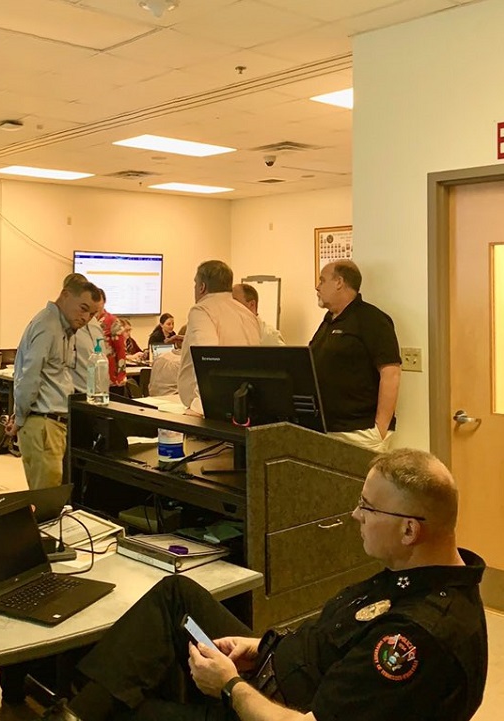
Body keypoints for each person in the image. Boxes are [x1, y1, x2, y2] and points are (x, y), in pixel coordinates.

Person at [41, 449, 487, 721]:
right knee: (176, 595)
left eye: (368, 508)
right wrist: (260, 648)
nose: (355, 516)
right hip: (275, 674)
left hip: (272, 708)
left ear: (409, 530)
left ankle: (81, 711)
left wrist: (230, 686)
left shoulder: (414, 640)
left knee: (123, 711)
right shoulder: (417, 574)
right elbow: (328, 644)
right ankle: (77, 711)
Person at [10, 276, 102, 489]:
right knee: (46, 499)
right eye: (83, 308)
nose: (86, 318)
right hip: (43, 424)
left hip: (51, 424)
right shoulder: (48, 326)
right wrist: (19, 418)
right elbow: (29, 377)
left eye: (92, 314)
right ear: (65, 295)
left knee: (49, 494)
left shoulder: (63, 328)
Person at [312, 260, 401, 451]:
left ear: (339, 282)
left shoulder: (372, 319)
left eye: (322, 280)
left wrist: (380, 429)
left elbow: (391, 373)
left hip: (360, 431)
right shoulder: (328, 321)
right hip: (328, 428)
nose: (317, 287)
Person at [179, 260, 264, 411]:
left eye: (195, 284)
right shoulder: (248, 314)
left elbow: (207, 358)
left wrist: (198, 407)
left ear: (202, 287)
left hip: (211, 405)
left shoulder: (202, 310)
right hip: (244, 403)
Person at [231, 282, 286, 347]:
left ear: (252, 304)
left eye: (235, 302)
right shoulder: (230, 332)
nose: (230, 306)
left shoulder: (270, 337)